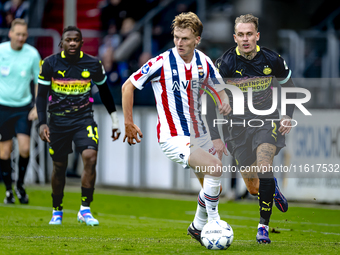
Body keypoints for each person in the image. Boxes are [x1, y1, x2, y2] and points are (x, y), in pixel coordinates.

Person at [122, 12, 231, 246]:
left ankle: (197, 226)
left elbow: (219, 86)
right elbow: (127, 86)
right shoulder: (161, 62)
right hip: (172, 137)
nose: (179, 42)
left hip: (198, 136)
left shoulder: (204, 61)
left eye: (185, 38)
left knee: (214, 187)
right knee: (215, 167)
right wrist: (128, 123)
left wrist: (224, 100)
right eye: (176, 37)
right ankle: (214, 224)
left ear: (197, 40)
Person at [206, 14, 294, 244]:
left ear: (257, 35)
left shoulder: (272, 60)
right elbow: (209, 100)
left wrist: (287, 114)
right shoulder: (225, 63)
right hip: (236, 128)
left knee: (264, 166)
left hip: (266, 120)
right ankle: (271, 187)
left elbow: (289, 87)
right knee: (254, 187)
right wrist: (215, 137)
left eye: (249, 34)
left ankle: (263, 226)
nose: (245, 39)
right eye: (241, 35)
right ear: (235, 37)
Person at [36, 26, 121, 226]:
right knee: (59, 166)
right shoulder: (49, 64)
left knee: (90, 157)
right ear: (62, 43)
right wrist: (42, 123)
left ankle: (85, 209)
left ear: (82, 43)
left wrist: (115, 120)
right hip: (58, 121)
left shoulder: (93, 64)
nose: (72, 43)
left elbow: (106, 92)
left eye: (76, 40)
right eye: (68, 40)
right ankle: (57, 210)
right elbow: (40, 96)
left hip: (84, 119)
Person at [0, 18, 40, 204]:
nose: (21, 38)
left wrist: (37, 106)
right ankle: (8, 190)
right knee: (4, 152)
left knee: (24, 148)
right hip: (2, 107)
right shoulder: (1, 51)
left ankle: (20, 185)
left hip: (23, 107)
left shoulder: (32, 54)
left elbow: (40, 81)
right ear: (10, 34)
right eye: (18, 34)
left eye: (24, 35)